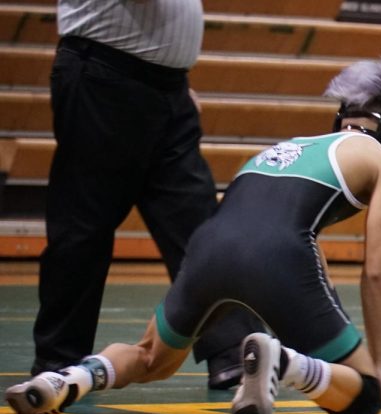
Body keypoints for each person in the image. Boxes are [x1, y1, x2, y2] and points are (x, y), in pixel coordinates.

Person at [5, 56, 381, 414]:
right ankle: (281, 362)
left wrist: (321, 312)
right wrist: (377, 362)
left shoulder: (294, 146)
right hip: (279, 258)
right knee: (363, 400)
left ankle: (69, 379)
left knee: (151, 357)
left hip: (209, 245)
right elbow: (378, 269)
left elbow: (265, 224)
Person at [32, 0, 248, 390]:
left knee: (200, 224)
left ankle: (233, 349)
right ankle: (58, 358)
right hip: (105, 79)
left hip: (164, 86)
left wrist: (171, 77)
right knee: (84, 226)